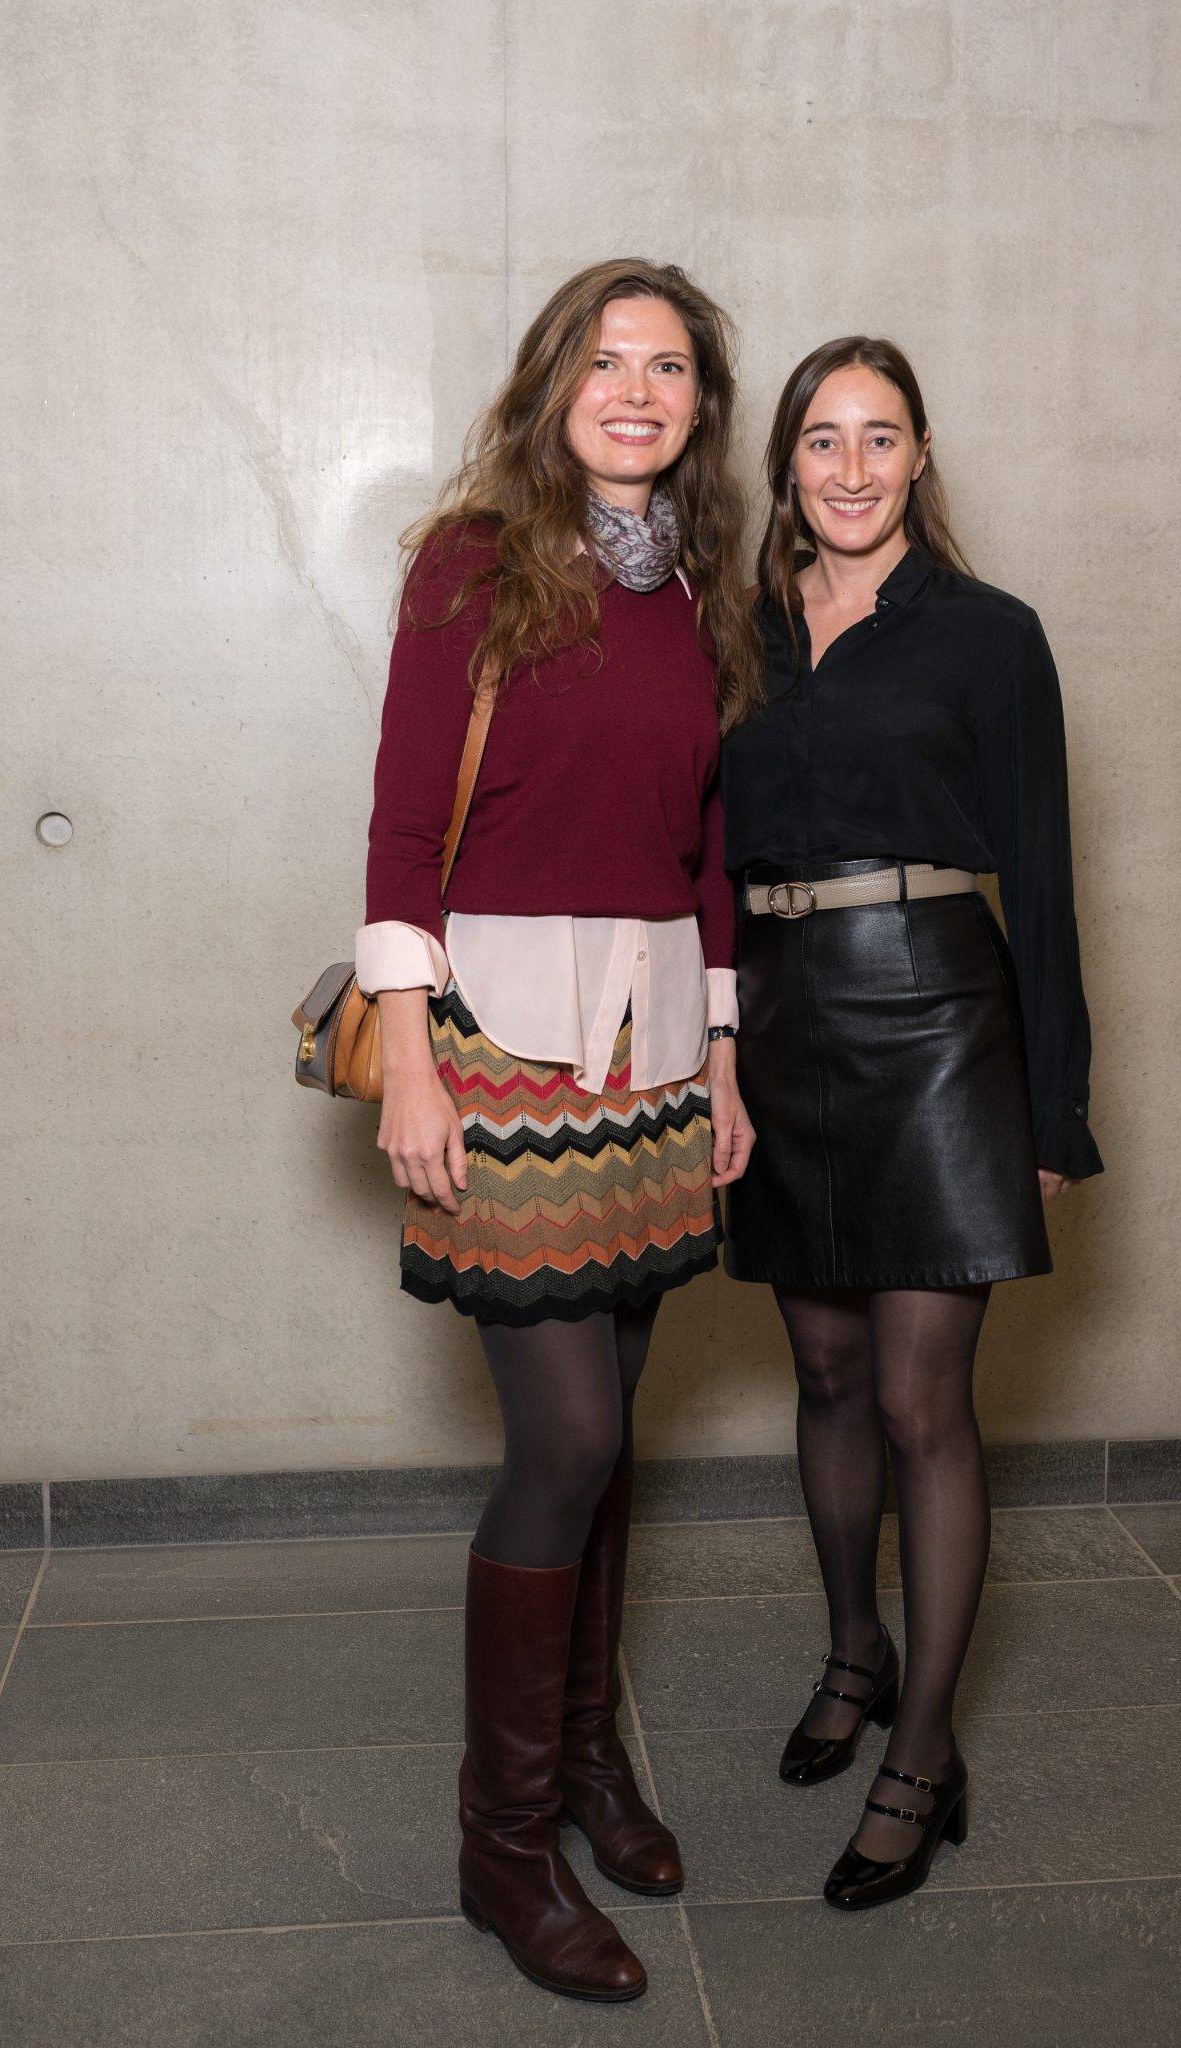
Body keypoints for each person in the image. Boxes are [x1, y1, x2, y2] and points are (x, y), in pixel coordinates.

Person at [357, 259, 757, 2000]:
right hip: (498, 1039)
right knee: (566, 1442)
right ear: (553, 383)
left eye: (668, 367)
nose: (638, 388)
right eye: (608, 360)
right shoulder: (470, 561)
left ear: (697, 408)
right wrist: (413, 1059)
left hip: (656, 1048)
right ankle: (500, 1845)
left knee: (620, 1431)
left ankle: (589, 1768)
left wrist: (725, 1053)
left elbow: (710, 851)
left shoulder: (705, 595)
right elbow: (396, 829)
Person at [720, 336, 1102, 1912]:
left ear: (922, 457)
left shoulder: (988, 636)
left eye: (882, 438)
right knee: (818, 1371)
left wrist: (1053, 1109)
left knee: (917, 1400)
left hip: (941, 1017)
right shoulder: (733, 634)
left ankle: (924, 1750)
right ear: (787, 465)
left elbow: (1049, 881)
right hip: (780, 1008)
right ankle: (853, 1651)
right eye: (824, 439)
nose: (853, 467)